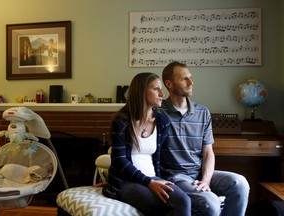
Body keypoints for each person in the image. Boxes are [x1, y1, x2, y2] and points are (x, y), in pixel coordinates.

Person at [159, 61, 250, 216]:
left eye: (191, 78)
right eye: (184, 79)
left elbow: (208, 153)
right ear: (169, 84)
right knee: (211, 203)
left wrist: (206, 180)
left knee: (240, 183)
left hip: (199, 174)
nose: (191, 82)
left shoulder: (203, 112)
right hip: (175, 176)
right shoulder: (158, 113)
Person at [103, 72, 191, 216]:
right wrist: (148, 182)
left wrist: (158, 180)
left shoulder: (163, 121)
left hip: (152, 178)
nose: (162, 93)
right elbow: (119, 160)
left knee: (184, 200)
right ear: (141, 91)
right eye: (156, 89)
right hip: (127, 182)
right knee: (163, 206)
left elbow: (158, 158)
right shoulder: (122, 121)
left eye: (161, 89)